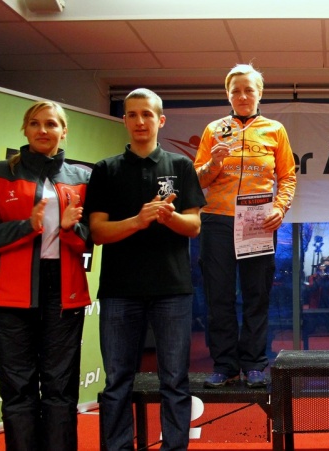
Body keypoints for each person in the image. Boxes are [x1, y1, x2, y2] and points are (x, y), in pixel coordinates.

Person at [85, 88, 206, 450]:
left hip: (172, 290)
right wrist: (138, 221)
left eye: (147, 114)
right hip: (119, 290)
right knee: (117, 381)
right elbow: (98, 232)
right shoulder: (106, 170)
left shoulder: (180, 166)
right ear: (124, 120)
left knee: (175, 380)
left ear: (160, 120)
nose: (140, 121)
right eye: (133, 114)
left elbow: (194, 226)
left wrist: (169, 218)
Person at [0, 100, 91, 451]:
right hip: (12, 295)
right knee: (18, 388)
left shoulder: (82, 178)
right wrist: (29, 225)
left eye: (52, 124)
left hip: (63, 293)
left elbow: (90, 239)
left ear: (63, 131)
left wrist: (68, 228)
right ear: (25, 129)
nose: (43, 130)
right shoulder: (0, 172)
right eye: (36, 123)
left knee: (60, 388)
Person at [194, 64, 296, 389]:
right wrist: (214, 163)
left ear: (259, 93)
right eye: (235, 91)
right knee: (219, 297)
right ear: (228, 95)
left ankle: (254, 363)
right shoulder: (214, 129)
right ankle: (225, 365)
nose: (242, 96)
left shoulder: (275, 130)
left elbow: (288, 176)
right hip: (218, 221)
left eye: (248, 90)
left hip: (257, 221)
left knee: (256, 295)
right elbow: (198, 179)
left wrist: (279, 207)